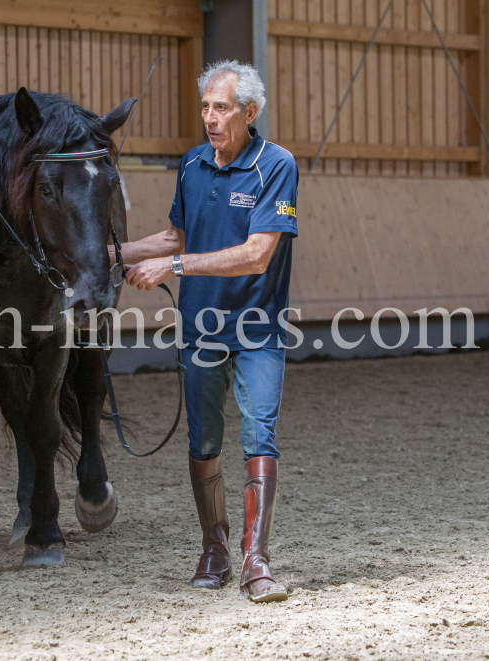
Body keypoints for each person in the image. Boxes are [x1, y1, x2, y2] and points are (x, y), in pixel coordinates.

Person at [110, 60, 298, 603]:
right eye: (205, 107)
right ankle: (214, 549)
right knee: (204, 441)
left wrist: (174, 269)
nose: (209, 118)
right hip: (201, 331)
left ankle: (255, 562)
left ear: (250, 112)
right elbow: (175, 235)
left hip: (258, 329)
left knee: (260, 436)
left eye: (221, 108)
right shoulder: (192, 164)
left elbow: (257, 255)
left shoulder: (276, 166)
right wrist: (112, 254)